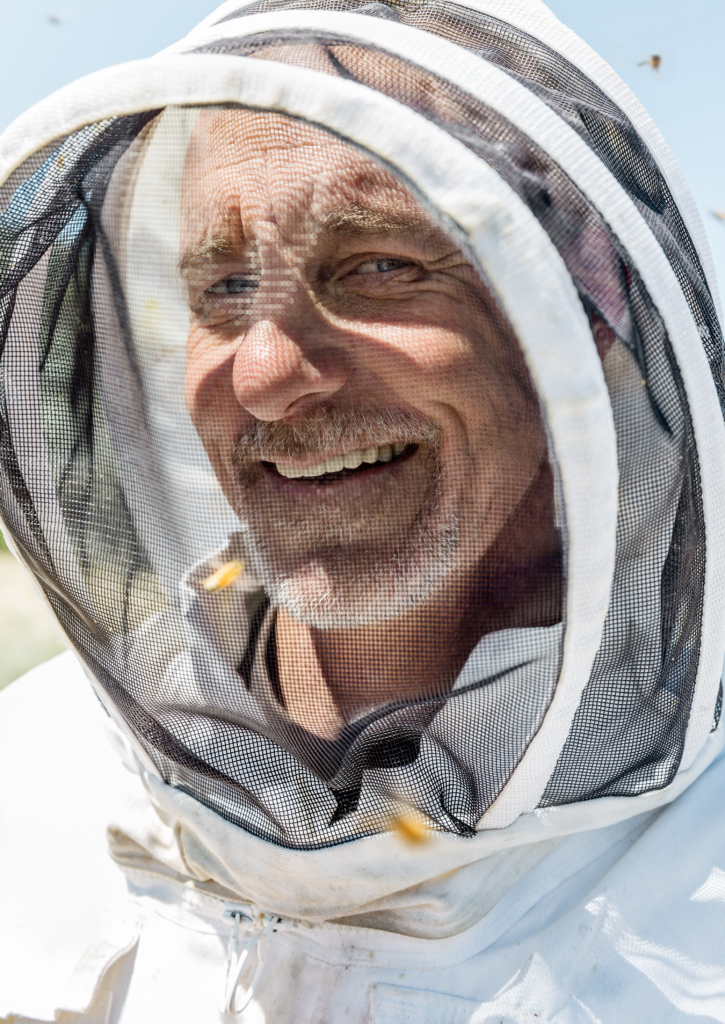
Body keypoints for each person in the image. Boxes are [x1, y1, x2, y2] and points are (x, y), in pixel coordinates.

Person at [1, 2, 725, 1021]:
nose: (263, 372)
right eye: (223, 286)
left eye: (376, 264)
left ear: (589, 300)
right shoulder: (30, 770)